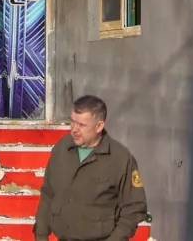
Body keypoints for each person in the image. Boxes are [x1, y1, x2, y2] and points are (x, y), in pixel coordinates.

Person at [34, 95, 147, 241]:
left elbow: (134, 207)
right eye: (72, 122)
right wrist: (41, 235)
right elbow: (48, 194)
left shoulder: (120, 158)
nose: (74, 129)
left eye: (81, 125)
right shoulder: (62, 148)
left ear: (99, 126)